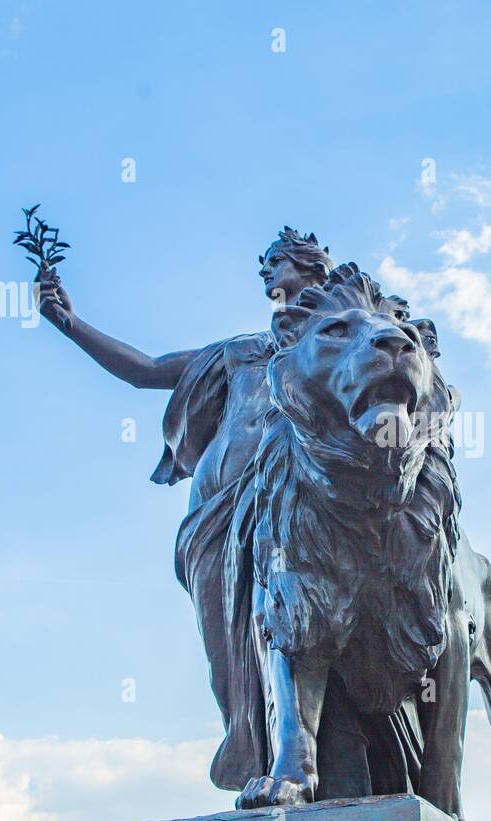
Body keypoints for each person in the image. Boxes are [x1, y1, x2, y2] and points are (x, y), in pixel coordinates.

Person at [34, 227, 338, 789]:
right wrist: (68, 323)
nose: (267, 275)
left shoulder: (339, 340)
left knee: (285, 626)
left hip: (286, 504)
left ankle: (301, 764)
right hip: (213, 518)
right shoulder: (239, 349)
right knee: (229, 661)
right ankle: (262, 753)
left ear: (308, 265)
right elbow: (147, 371)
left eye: (276, 263)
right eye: (265, 268)